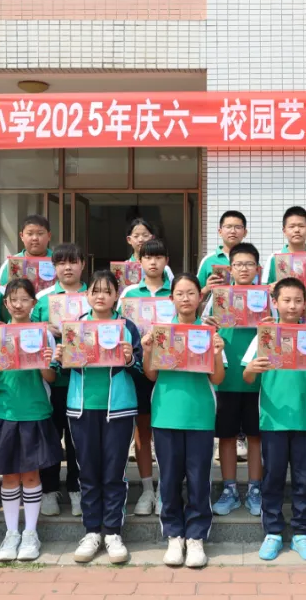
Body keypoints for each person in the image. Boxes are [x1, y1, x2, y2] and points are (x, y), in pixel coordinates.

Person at [141, 273, 227, 569]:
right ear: (172, 298)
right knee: (169, 478)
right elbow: (151, 374)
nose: (186, 298)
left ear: (200, 297)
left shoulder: (208, 332)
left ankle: (196, 536)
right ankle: (174, 535)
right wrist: (148, 350)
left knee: (199, 479)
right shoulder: (162, 333)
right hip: (166, 414)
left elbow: (218, 378)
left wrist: (217, 353)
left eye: (191, 293)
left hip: (200, 415)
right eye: (180, 293)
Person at [0, 278, 62, 563]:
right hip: (4, 411)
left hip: (35, 411)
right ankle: (11, 532)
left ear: (33, 304)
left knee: (31, 475)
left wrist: (45, 363)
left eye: (24, 299)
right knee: (10, 476)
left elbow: (51, 377)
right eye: (13, 299)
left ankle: (30, 533)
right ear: (5, 304)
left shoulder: (43, 334)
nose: (18, 304)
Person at [241, 278, 306, 562]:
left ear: (305, 304)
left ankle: (301, 532)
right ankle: (273, 532)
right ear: (274, 302)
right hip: (273, 419)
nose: (292, 306)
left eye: (298, 300)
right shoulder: (264, 335)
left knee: (304, 479)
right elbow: (247, 376)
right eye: (286, 300)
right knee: (273, 477)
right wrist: (252, 367)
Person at [65, 270, 143, 565]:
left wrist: (130, 357)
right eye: (95, 291)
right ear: (87, 295)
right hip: (82, 407)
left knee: (114, 472)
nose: (100, 296)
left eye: (107, 291)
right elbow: (62, 368)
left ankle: (112, 531)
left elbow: (141, 367)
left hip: (118, 408)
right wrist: (61, 356)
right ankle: (91, 531)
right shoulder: (75, 327)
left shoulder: (127, 327)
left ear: (116, 296)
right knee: (87, 471)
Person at [203, 243, 263, 517]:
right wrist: (209, 325)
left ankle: (255, 489)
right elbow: (203, 328)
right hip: (225, 378)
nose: (244, 269)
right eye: (238, 264)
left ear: (257, 269)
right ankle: (229, 489)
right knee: (226, 437)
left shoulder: (267, 298)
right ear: (230, 269)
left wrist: (270, 323)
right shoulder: (218, 298)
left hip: (257, 378)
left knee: (255, 436)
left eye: (249, 264)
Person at [31, 243, 86, 517]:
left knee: (77, 440)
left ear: (82, 265)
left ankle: (76, 489)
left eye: (73, 262)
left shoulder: (92, 295)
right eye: (62, 263)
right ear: (54, 267)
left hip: (82, 381)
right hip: (49, 383)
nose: (67, 267)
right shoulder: (43, 299)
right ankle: (49, 490)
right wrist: (44, 328)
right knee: (51, 437)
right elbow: (27, 332)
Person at [119, 238, 172, 517]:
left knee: (165, 430)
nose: (153, 262)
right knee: (142, 430)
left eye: (158, 257)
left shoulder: (175, 291)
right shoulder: (129, 293)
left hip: (170, 370)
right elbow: (120, 329)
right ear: (139, 262)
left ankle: (165, 488)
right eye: (148, 257)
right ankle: (147, 488)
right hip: (139, 369)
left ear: (166, 261)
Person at [0, 214, 54, 292]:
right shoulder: (13, 263)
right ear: (21, 236)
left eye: (40, 233)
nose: (35, 238)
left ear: (49, 236)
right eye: (30, 234)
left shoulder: (58, 261)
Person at [197, 210, 248, 297]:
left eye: (238, 227)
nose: (233, 231)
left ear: (245, 232)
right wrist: (207, 288)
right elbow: (195, 296)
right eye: (228, 227)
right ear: (220, 232)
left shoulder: (251, 261)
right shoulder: (208, 261)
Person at [262, 206, 306, 285]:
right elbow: (264, 287)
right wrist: (271, 288)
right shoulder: (273, 258)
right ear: (284, 231)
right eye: (292, 226)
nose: (296, 230)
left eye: (301, 226)